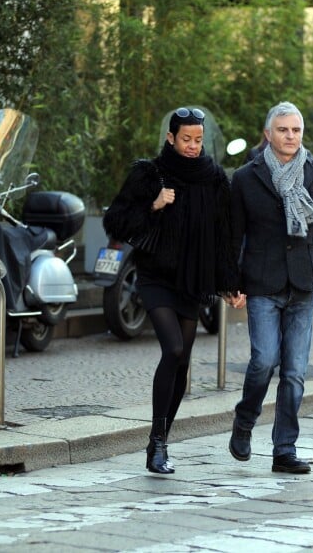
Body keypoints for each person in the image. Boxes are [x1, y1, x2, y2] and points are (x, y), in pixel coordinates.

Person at [103, 107, 244, 474]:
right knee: (174, 348)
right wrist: (153, 204)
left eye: (198, 139)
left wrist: (230, 284)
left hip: (193, 281)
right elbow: (115, 220)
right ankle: (157, 441)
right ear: (170, 137)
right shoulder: (150, 174)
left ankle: (158, 442)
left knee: (182, 361)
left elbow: (224, 235)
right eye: (186, 139)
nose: (193, 146)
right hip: (155, 276)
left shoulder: (213, 179)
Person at [228, 101, 313, 474]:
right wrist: (233, 283)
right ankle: (244, 422)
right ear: (268, 134)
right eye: (283, 130)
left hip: (303, 286)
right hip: (262, 283)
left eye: (296, 130)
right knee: (263, 360)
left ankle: (284, 450)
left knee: (294, 372)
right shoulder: (246, 177)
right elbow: (234, 235)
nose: (291, 136)